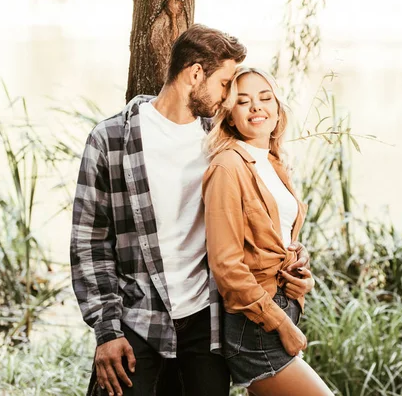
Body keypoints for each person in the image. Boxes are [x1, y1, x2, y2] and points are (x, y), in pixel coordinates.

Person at [70, 24, 312, 396]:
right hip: (140, 318)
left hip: (208, 321)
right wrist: (107, 331)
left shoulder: (218, 139)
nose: (229, 97)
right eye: (225, 83)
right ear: (195, 74)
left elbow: (256, 224)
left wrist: (293, 264)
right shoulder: (112, 140)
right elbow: (90, 244)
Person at [203, 66, 333, 395]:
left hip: (279, 307)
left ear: (277, 109)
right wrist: (282, 324)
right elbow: (226, 265)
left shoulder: (272, 162)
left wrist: (299, 263)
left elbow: (275, 237)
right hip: (256, 325)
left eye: (265, 98)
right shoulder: (227, 167)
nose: (257, 107)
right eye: (243, 101)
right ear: (230, 116)